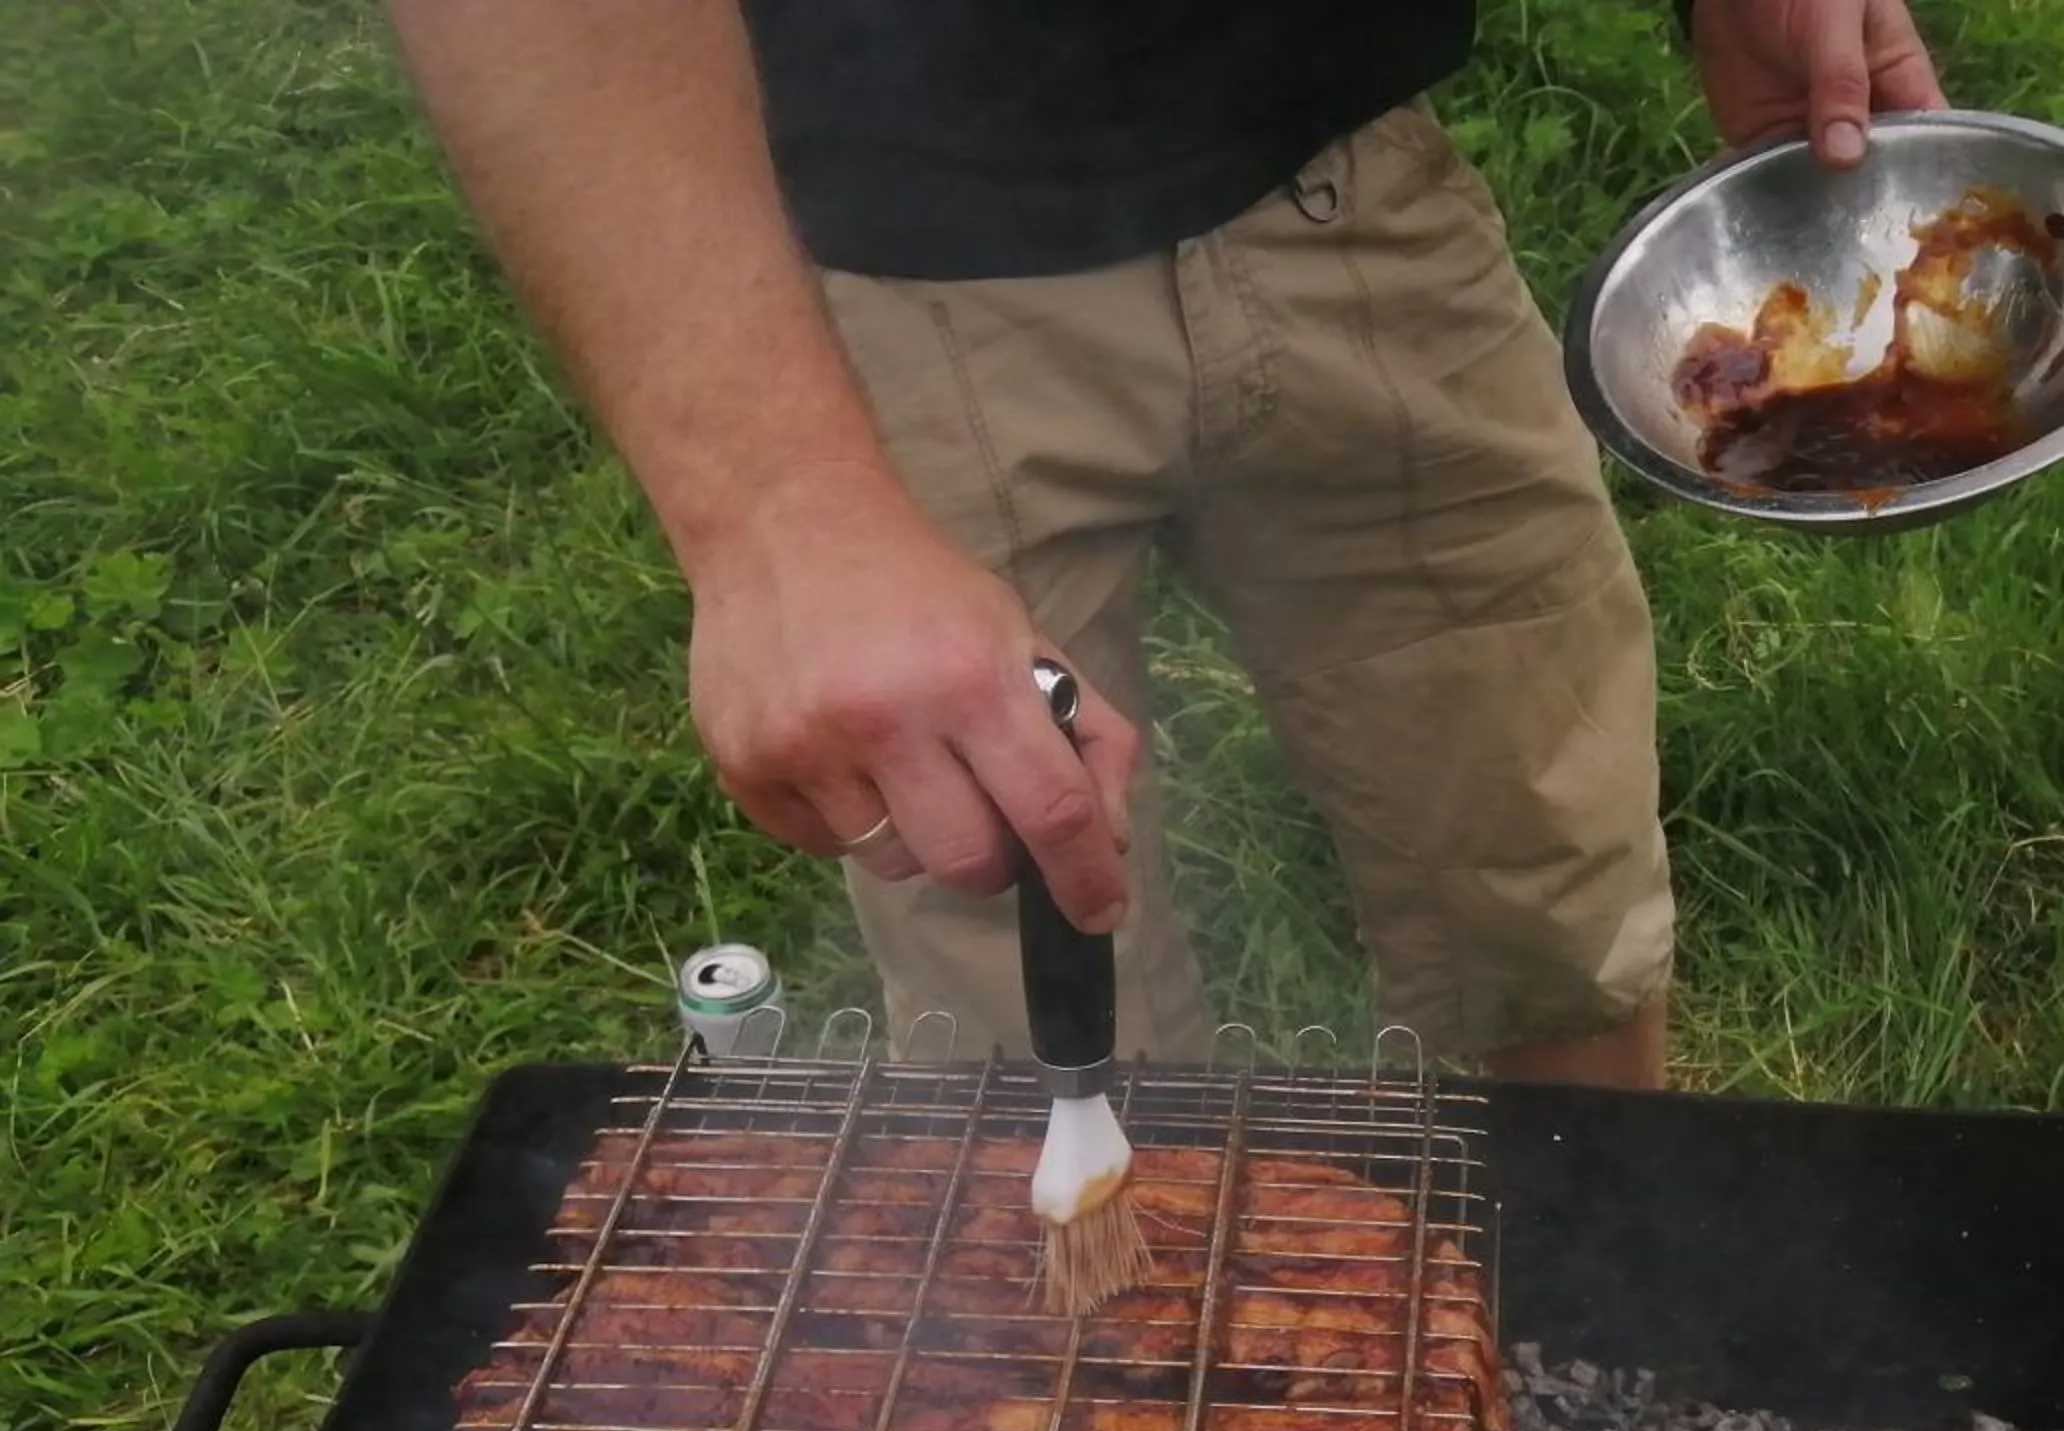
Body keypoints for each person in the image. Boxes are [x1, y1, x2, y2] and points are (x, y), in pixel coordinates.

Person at [379, 2, 1947, 1086]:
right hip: (888, 268)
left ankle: (1582, 1324)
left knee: (1544, 860)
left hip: (1350, 178)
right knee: (1022, 974)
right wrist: (785, 514)